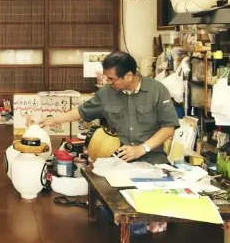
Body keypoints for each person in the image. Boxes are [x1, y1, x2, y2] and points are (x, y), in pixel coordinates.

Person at [40, 50, 179, 163]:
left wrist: (142, 149)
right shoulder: (106, 93)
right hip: (118, 158)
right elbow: (81, 112)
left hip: (152, 157)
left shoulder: (157, 90)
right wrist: (52, 120)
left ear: (129, 76)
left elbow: (168, 127)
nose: (107, 82)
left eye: (111, 79)